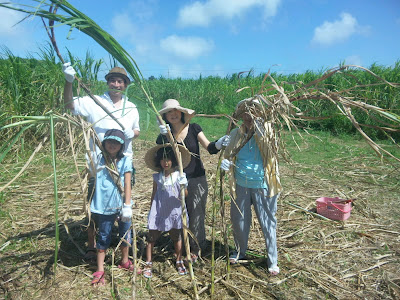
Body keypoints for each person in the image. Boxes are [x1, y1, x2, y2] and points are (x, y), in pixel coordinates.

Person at [62, 63, 140, 262]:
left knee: (123, 205)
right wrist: (68, 81)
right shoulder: (94, 101)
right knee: (94, 207)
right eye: (113, 80)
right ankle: (92, 245)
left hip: (123, 165)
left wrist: (133, 134)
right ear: (107, 82)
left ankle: (121, 245)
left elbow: (136, 130)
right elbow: (70, 105)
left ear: (125, 85)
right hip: (97, 164)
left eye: (120, 81)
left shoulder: (131, 107)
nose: (116, 84)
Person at [157, 99, 230, 262]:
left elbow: (209, 147)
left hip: (197, 178)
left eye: (175, 110)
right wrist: (164, 136)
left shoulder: (194, 128)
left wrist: (218, 144)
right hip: (176, 180)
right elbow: (160, 157)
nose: (173, 114)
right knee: (178, 214)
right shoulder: (164, 134)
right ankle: (180, 246)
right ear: (165, 117)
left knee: (196, 214)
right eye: (169, 112)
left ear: (181, 112)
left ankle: (196, 247)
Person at [220, 97, 282, 276]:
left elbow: (272, 151)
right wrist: (226, 163)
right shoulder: (235, 134)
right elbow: (229, 155)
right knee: (239, 221)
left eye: (254, 110)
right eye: (246, 112)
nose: (249, 115)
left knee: (267, 222)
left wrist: (260, 129)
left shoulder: (267, 131)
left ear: (261, 113)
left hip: (263, 184)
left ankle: (272, 260)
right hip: (240, 184)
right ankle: (240, 252)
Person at [88, 129, 134, 286]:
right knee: (103, 236)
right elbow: (90, 177)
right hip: (104, 206)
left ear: (121, 145)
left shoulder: (125, 161)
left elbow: (127, 183)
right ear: (104, 143)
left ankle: (125, 261)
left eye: (116, 142)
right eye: (109, 141)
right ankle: (100, 269)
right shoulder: (99, 160)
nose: (112, 145)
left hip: (121, 205)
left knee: (125, 235)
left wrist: (127, 205)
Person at [142, 144, 191, 278]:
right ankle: (148, 262)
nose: (166, 162)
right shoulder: (157, 177)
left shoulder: (179, 176)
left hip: (174, 212)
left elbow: (185, 195)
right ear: (159, 161)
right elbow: (154, 194)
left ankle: (179, 260)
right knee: (152, 237)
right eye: (163, 160)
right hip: (159, 211)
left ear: (173, 160)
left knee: (176, 236)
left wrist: (183, 185)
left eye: (168, 159)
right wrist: (151, 210)